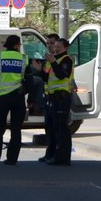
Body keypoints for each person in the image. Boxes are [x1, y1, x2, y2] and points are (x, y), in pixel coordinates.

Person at [0, 34, 31, 165]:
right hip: (18, 98)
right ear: (16, 45)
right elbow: (29, 80)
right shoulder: (24, 59)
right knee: (16, 129)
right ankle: (12, 159)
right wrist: (30, 98)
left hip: (3, 98)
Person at [44, 37, 75, 166]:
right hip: (52, 97)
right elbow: (47, 78)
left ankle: (62, 157)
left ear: (66, 48)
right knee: (54, 128)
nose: (55, 49)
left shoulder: (66, 59)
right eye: (54, 46)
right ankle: (55, 155)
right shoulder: (54, 60)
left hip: (61, 97)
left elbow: (62, 75)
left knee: (62, 129)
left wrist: (53, 63)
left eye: (58, 47)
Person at [36, 33, 59, 162]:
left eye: (52, 43)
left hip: (58, 97)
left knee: (56, 127)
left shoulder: (58, 59)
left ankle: (55, 154)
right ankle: (49, 153)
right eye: (47, 43)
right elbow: (46, 78)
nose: (49, 46)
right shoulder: (48, 60)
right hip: (48, 96)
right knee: (48, 127)